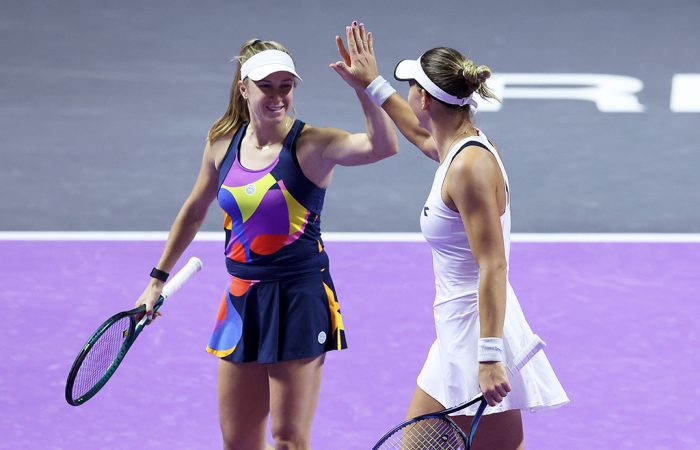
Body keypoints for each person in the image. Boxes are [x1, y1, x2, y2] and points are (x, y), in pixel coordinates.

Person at [135, 38, 398, 450]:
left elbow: (382, 146)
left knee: (288, 440)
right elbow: (192, 210)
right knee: (238, 441)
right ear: (244, 89)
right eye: (267, 86)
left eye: (285, 86)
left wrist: (365, 88)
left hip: (299, 299)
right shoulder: (222, 143)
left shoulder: (312, 144)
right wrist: (156, 279)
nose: (278, 96)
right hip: (242, 301)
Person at [331, 22, 569, 449]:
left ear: (424, 98)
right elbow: (423, 136)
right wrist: (373, 84)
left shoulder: (468, 168)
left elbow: (493, 264)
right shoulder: (458, 147)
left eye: (409, 86)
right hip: (457, 333)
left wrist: (491, 355)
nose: (407, 93)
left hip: (478, 334)